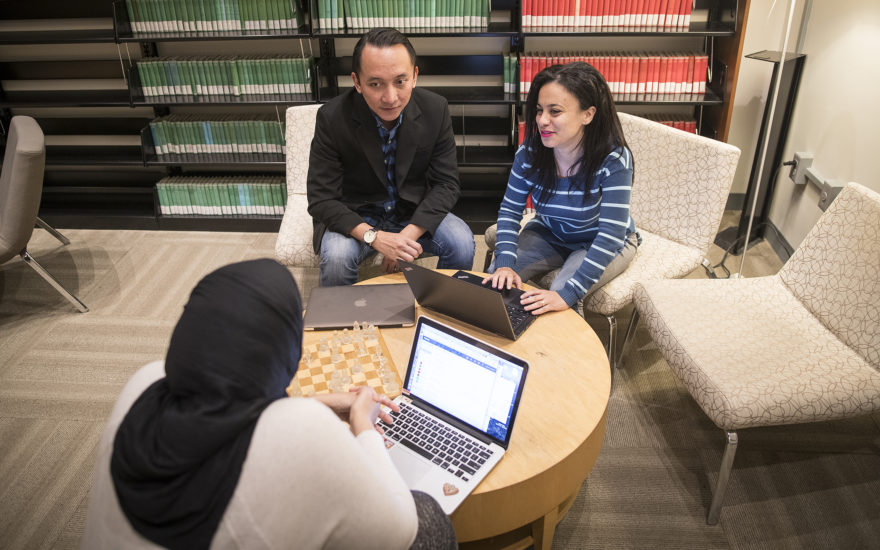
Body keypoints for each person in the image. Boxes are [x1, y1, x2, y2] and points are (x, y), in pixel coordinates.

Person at [81, 259, 457, 550]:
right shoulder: (305, 431)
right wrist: (362, 425)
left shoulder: (143, 381)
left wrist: (314, 402)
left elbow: (232, 412)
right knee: (429, 518)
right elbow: (398, 529)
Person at [307, 27, 475, 287]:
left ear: (415, 76)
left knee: (462, 243)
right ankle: (340, 323)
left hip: (411, 211)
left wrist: (405, 238)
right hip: (357, 213)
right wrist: (376, 238)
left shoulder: (435, 109)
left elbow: (447, 184)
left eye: (400, 81)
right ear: (357, 82)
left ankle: (440, 315)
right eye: (375, 84)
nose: (390, 97)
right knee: (338, 258)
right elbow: (321, 199)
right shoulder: (331, 118)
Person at [484, 62, 639, 314]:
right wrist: (503, 264)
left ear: (587, 114)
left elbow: (610, 236)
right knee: (495, 283)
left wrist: (567, 294)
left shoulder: (614, 159)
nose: (542, 121)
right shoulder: (531, 151)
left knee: (558, 297)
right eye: (539, 110)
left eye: (554, 111)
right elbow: (510, 212)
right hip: (550, 232)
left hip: (599, 240)